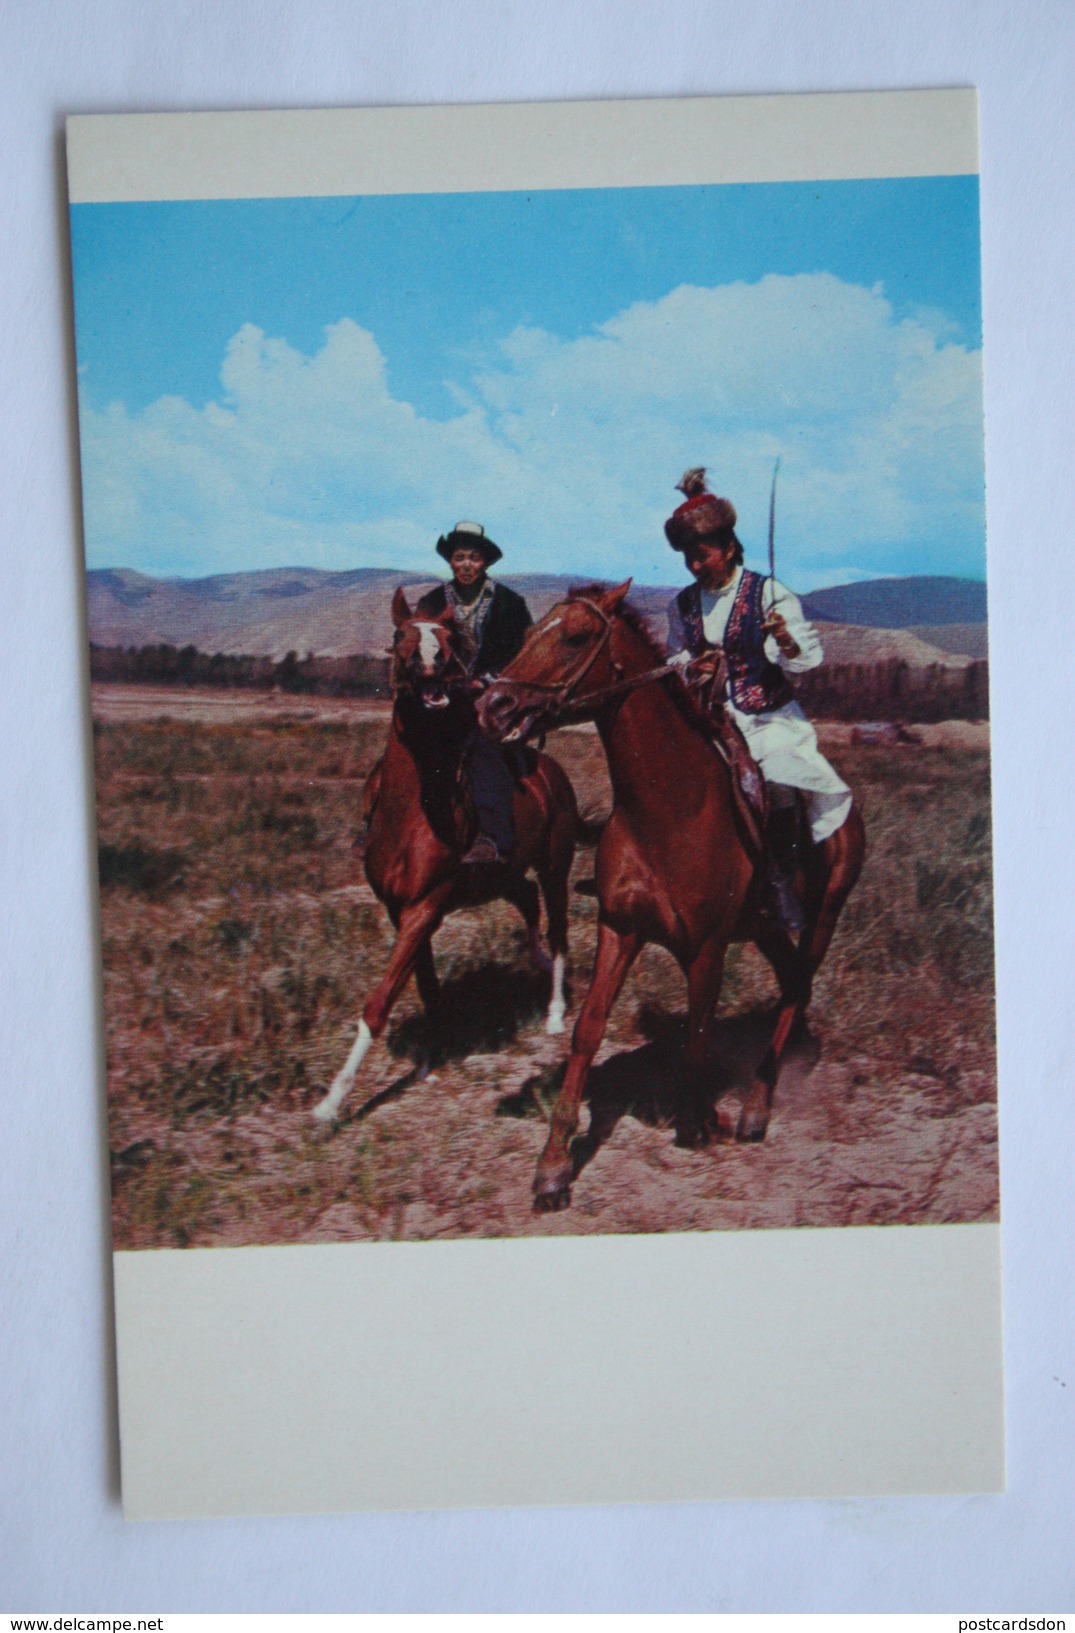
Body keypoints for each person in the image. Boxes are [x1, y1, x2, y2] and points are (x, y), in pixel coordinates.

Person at [663, 468, 852, 933]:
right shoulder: (681, 605)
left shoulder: (768, 594)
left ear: (728, 548)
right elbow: (675, 659)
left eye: (702, 556)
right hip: (709, 719)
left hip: (767, 718)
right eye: (688, 558)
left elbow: (803, 663)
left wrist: (784, 638)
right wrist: (691, 669)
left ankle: (780, 880)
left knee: (775, 774)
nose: (694, 567)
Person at [416, 521, 533, 866]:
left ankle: (494, 838)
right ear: (450, 562)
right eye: (459, 557)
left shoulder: (511, 604)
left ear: (485, 563)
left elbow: (523, 657)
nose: (466, 565)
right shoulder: (433, 601)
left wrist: (487, 682)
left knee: (481, 743)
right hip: (442, 695)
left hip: (494, 697)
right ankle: (379, 821)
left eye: (474, 558)